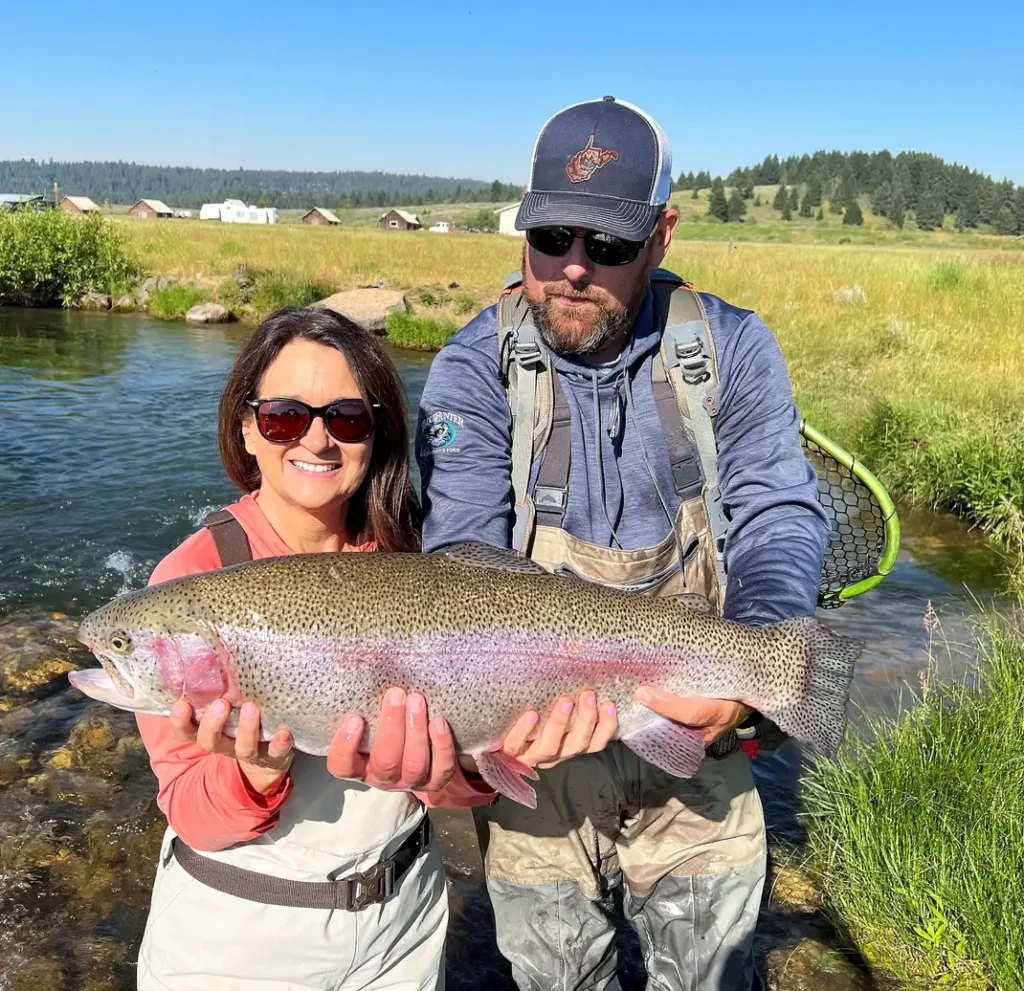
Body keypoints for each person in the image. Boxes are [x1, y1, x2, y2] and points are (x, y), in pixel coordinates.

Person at [416, 97, 830, 990]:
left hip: (695, 737)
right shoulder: (471, 369)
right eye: (549, 236)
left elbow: (778, 516)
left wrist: (746, 681)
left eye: (605, 245)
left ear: (662, 234)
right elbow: (458, 565)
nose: (571, 269)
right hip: (540, 766)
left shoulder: (732, 350)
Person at [134, 307, 615, 991]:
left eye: (347, 418)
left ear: (377, 431)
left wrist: (481, 765)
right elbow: (190, 809)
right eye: (284, 417)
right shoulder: (191, 582)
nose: (318, 439)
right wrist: (256, 775)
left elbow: (448, 788)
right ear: (246, 425)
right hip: (236, 941)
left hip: (405, 931)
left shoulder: (416, 555)